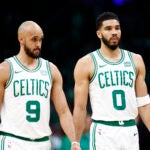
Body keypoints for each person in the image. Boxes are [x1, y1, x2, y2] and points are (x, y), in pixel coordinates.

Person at [73, 11, 150, 150]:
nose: (114, 32)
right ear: (99, 33)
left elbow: (144, 104)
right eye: (108, 29)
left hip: (130, 130)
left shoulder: (136, 60)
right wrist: (75, 141)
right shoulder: (86, 63)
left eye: (117, 28)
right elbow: (80, 107)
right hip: (104, 131)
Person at [0, 21, 80, 150]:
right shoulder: (5, 70)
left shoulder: (51, 70)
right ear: (21, 39)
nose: (38, 44)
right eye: (34, 40)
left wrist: (74, 141)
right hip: (13, 141)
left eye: (40, 40)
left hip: (42, 143)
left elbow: (64, 111)